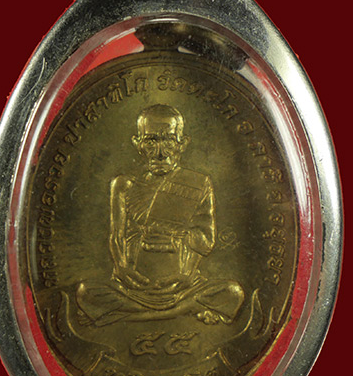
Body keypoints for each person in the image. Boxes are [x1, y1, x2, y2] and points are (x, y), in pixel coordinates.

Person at [75, 104, 244, 326]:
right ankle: (181, 311)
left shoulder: (199, 183)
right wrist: (123, 270)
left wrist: (184, 265)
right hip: (133, 287)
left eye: (169, 141)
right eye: (151, 141)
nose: (160, 152)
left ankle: (131, 316)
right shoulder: (123, 184)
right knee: (85, 292)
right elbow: (116, 237)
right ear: (138, 143)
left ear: (182, 143)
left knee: (233, 292)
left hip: (184, 286)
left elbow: (206, 241)